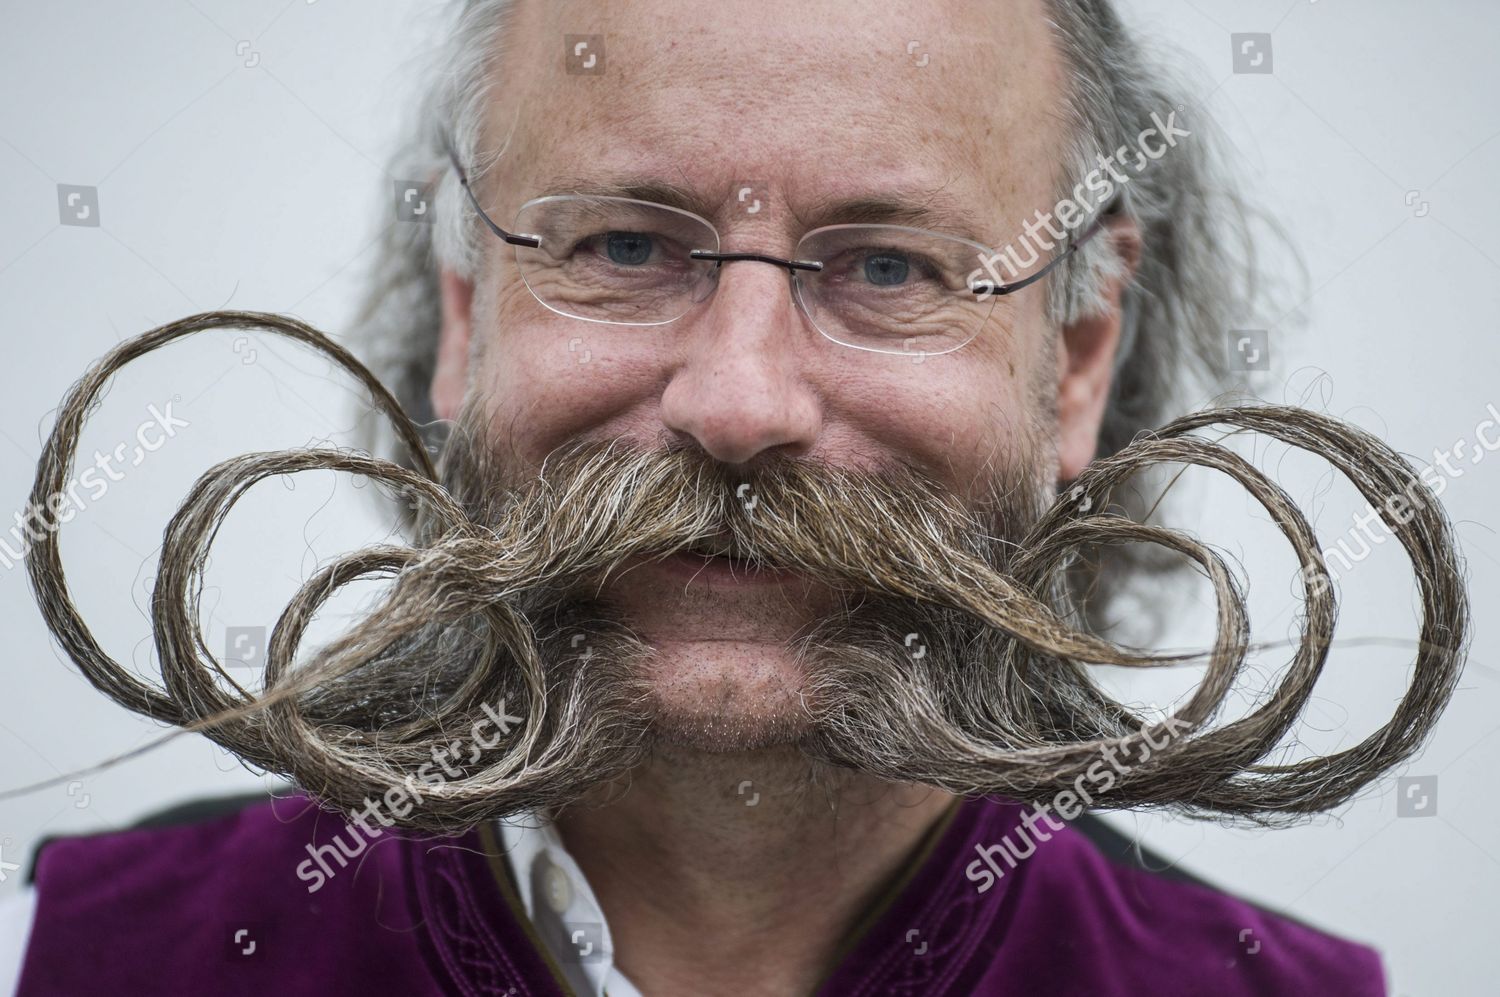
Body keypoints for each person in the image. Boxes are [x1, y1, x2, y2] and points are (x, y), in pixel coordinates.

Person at [7, 1, 1457, 993]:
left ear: (1076, 360)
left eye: (889, 267)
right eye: (630, 246)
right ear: (468, 315)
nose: (741, 400)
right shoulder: (78, 955)